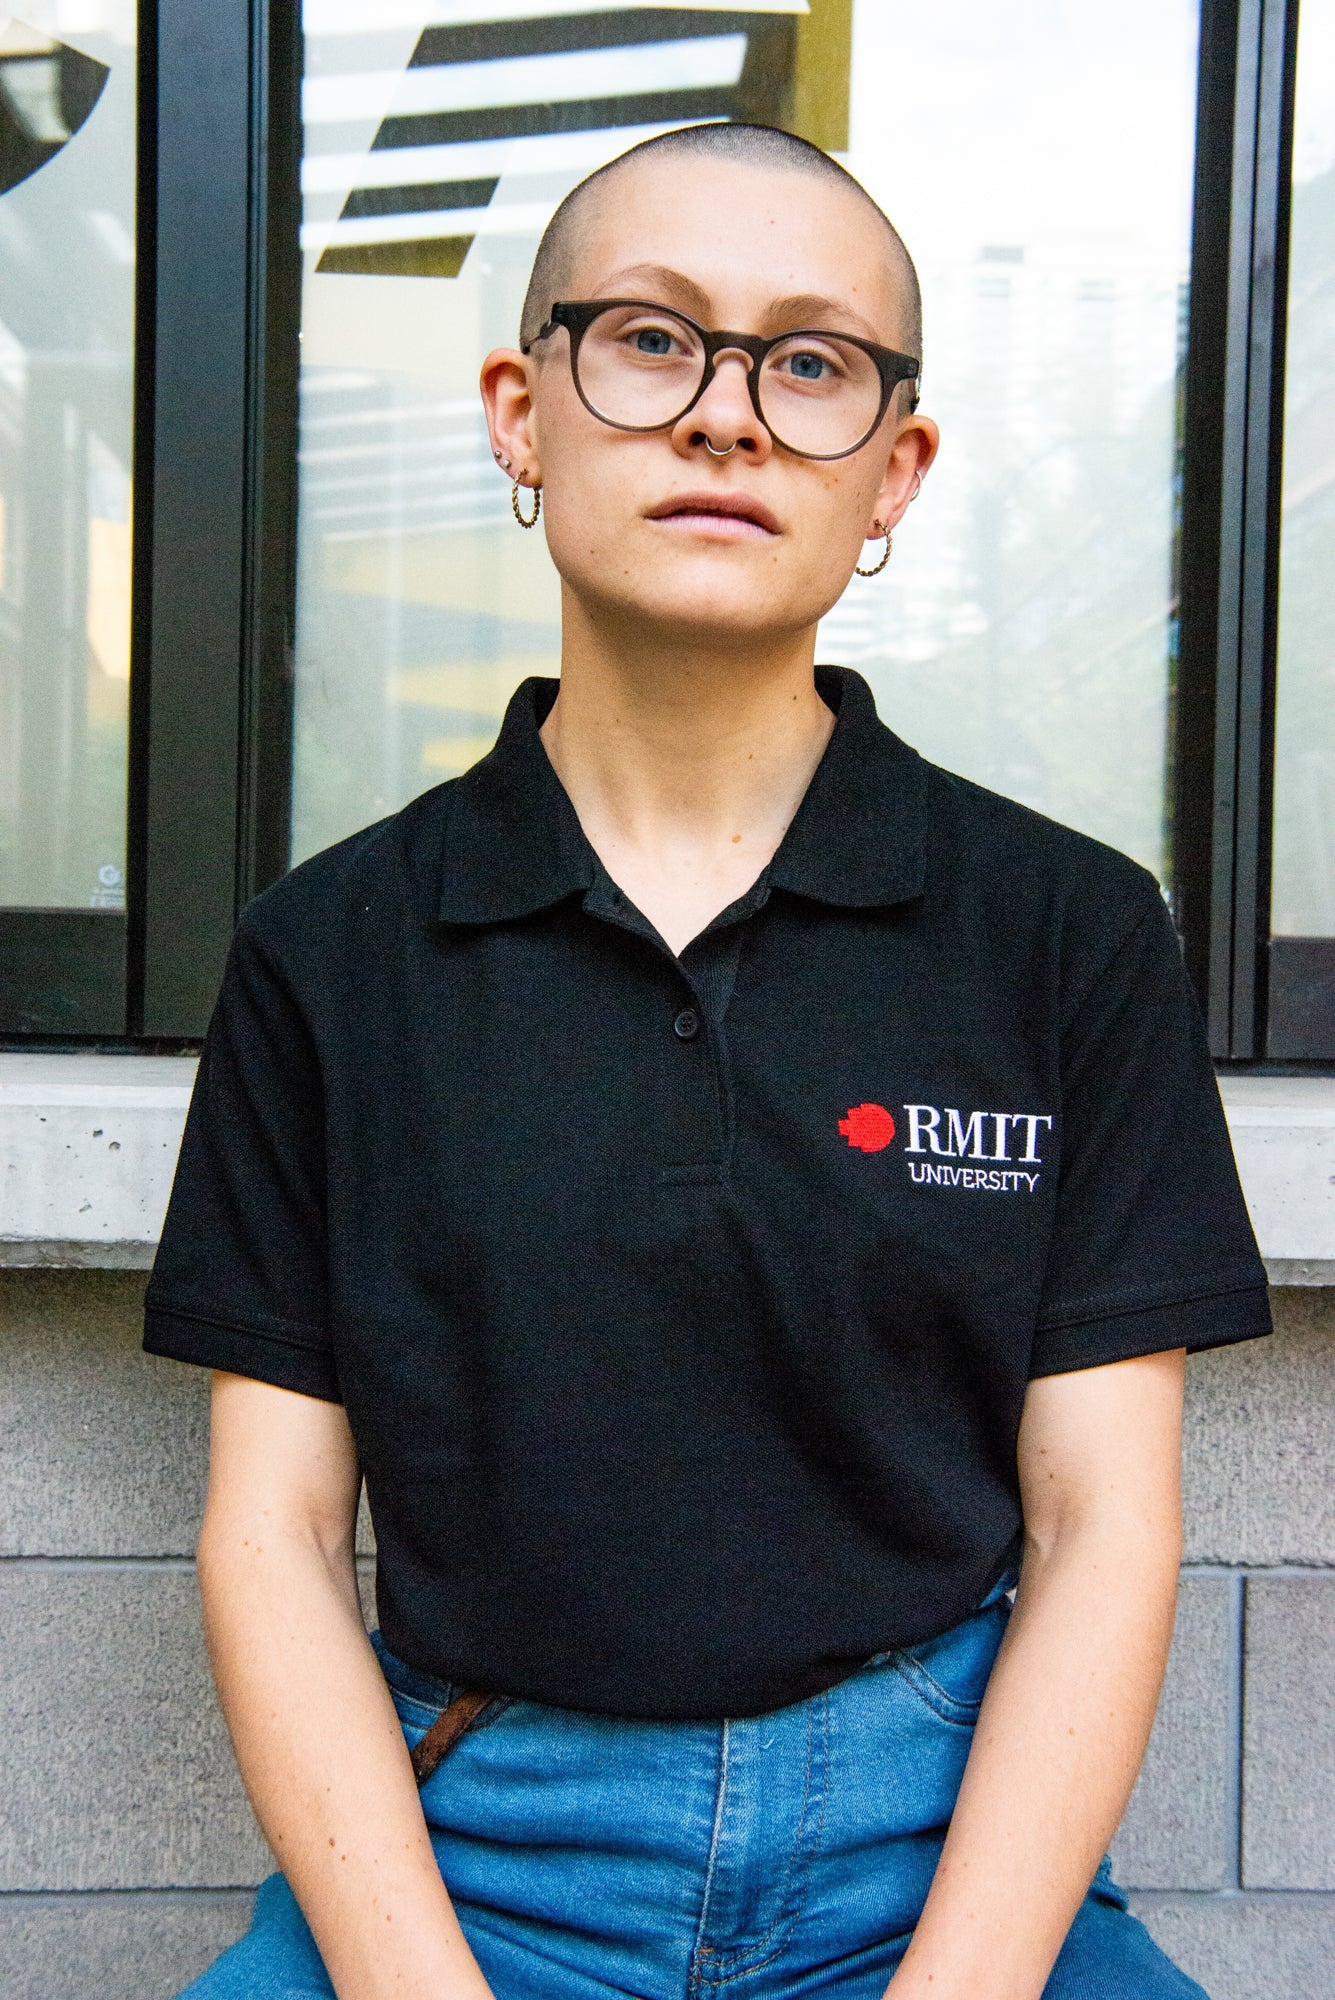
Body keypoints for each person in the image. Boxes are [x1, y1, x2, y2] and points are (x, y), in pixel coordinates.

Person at [144, 122, 1271, 2000]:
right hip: (472, 1852)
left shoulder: (1066, 931)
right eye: (654, 339)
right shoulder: (330, 953)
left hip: (942, 1857)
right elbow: (268, 1531)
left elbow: (1102, 1522)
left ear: (894, 473)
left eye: (813, 363)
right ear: (524, 409)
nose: (731, 417)